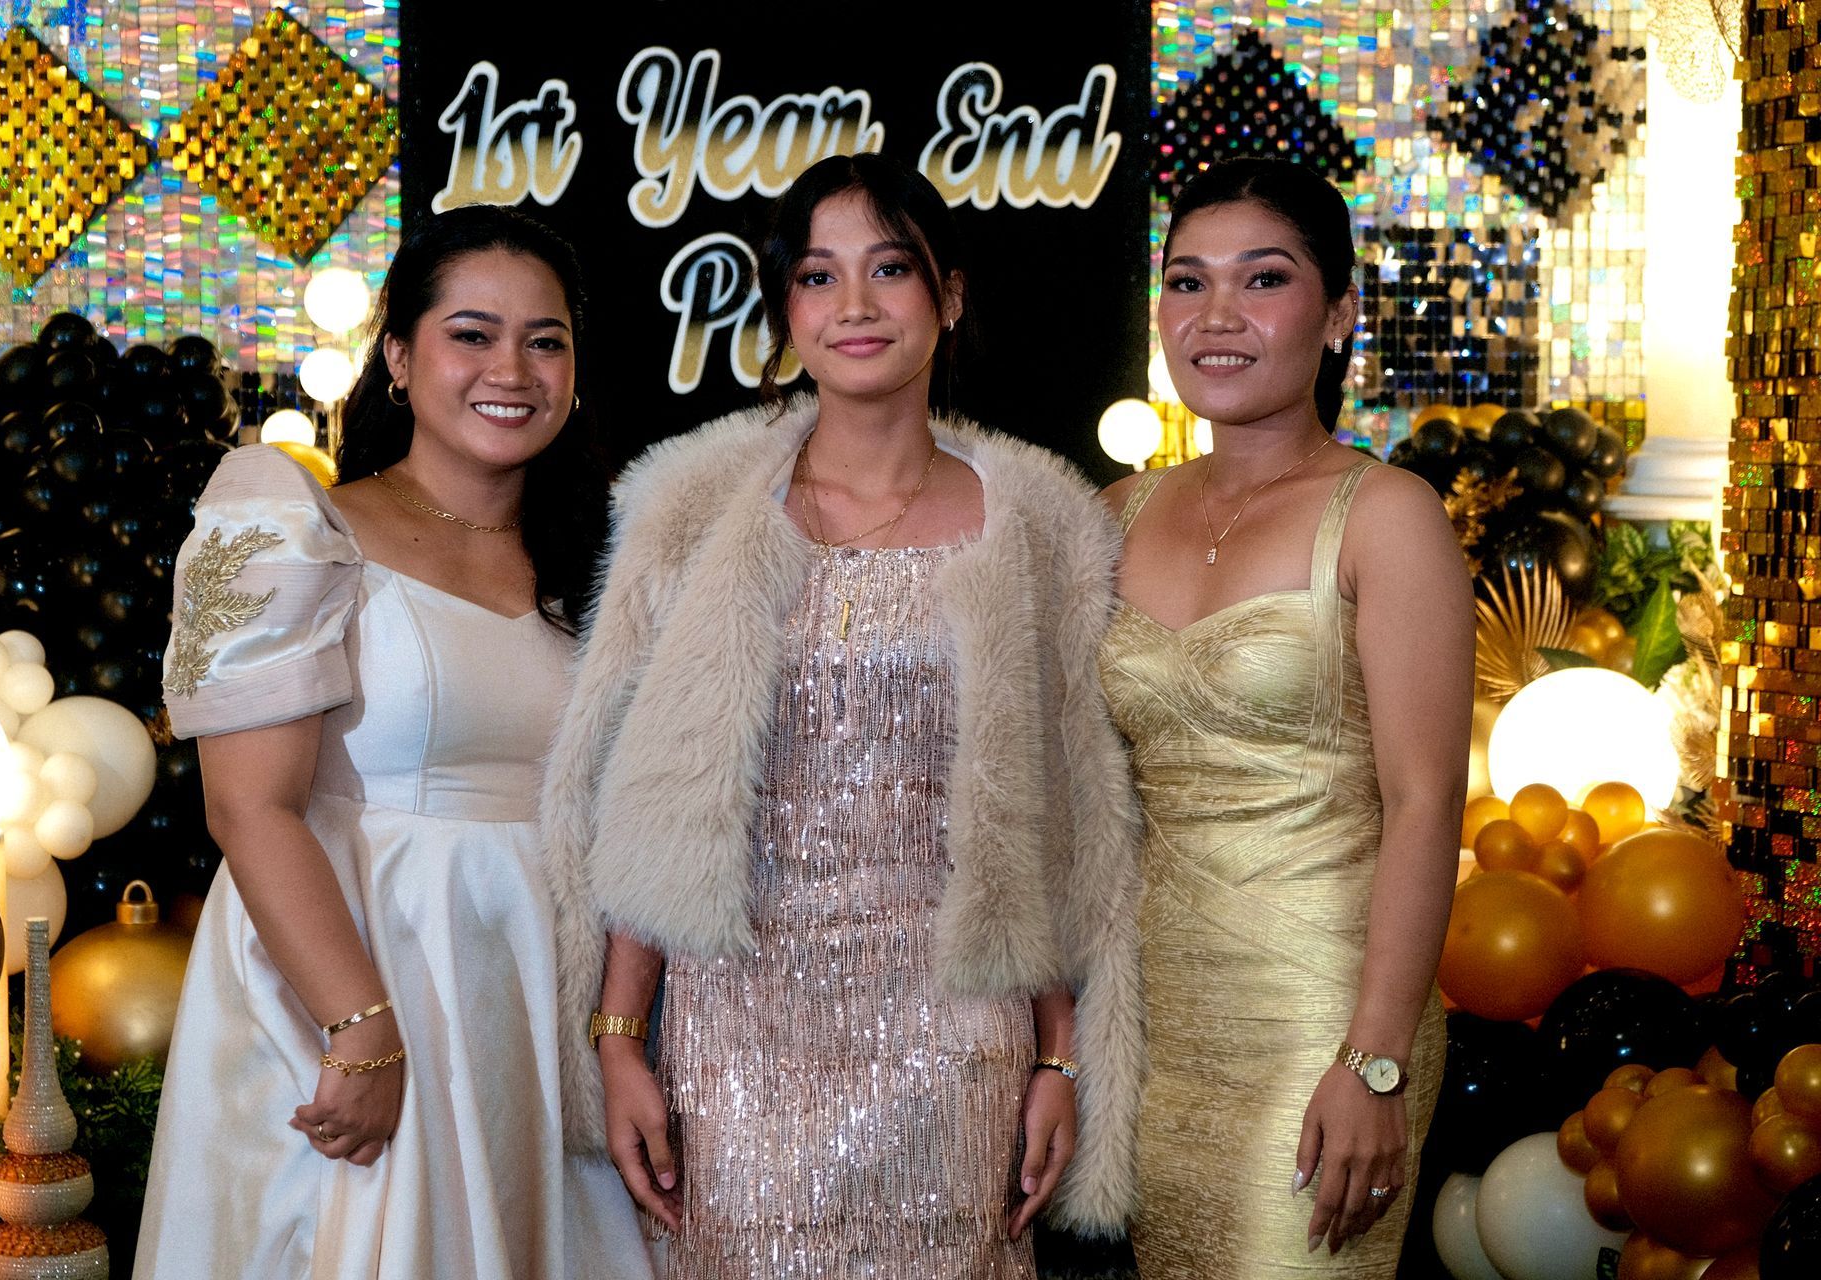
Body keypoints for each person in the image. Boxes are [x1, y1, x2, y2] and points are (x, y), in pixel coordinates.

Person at [541, 153, 1144, 1279]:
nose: (855, 306)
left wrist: (1060, 1055)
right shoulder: (697, 509)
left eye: (890, 270)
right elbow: (652, 797)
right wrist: (621, 1037)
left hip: (957, 1030)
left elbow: (1056, 810)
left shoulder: (1040, 522)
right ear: (785, 309)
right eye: (818, 277)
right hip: (735, 1027)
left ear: (948, 294)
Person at [135, 205, 654, 1280]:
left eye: (544, 339)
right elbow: (248, 805)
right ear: (401, 357)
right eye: (472, 332)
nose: (510, 366)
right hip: (360, 967)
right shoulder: (296, 524)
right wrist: (359, 1024)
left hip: (529, 987)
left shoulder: (600, 555)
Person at [1099, 157, 1471, 1275]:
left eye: (1263, 280)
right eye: (1186, 282)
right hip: (1157, 1023)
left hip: (1326, 1012)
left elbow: (1426, 800)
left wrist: (1375, 1059)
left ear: (1340, 310)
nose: (1216, 317)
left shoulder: (1387, 516)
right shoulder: (1114, 512)